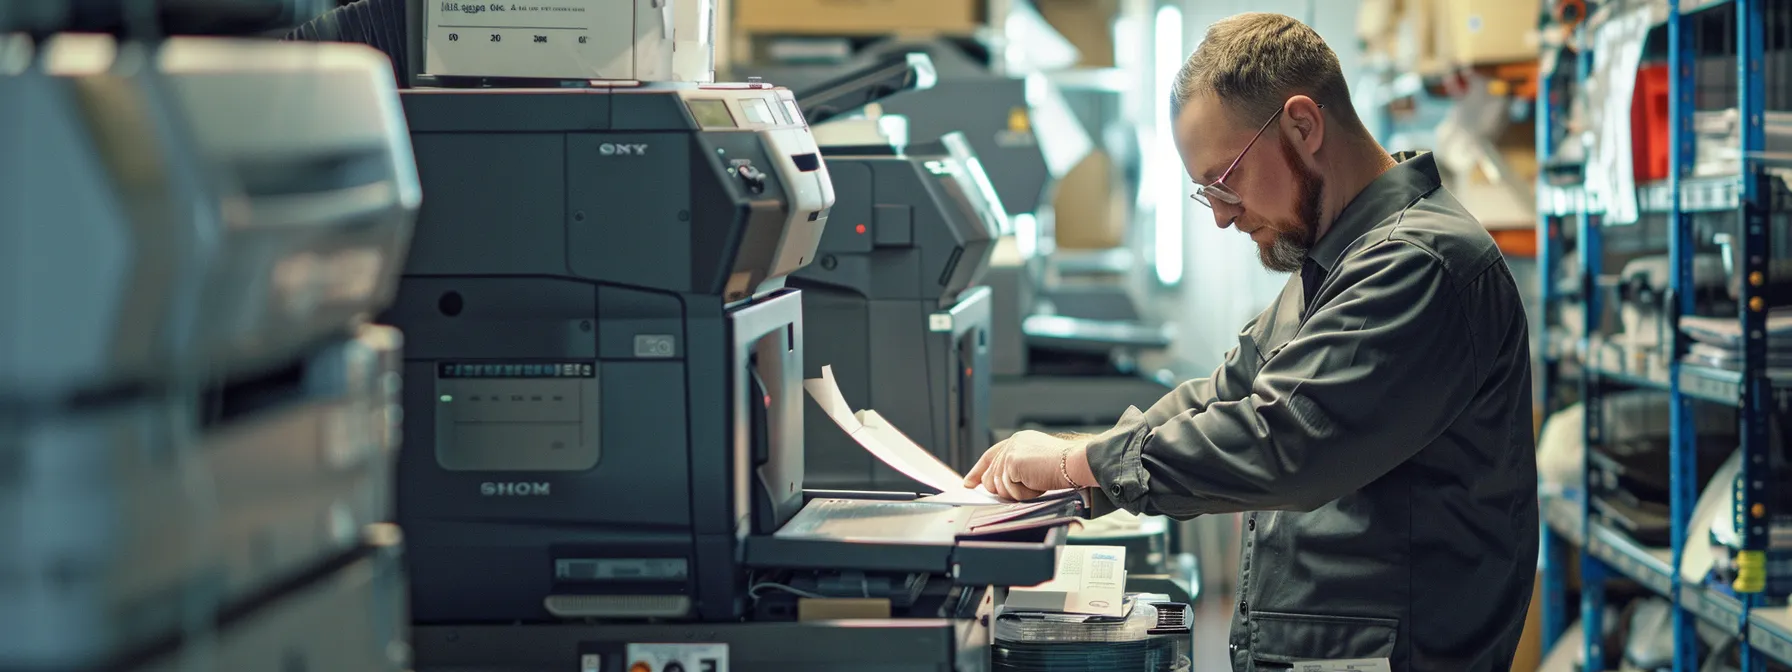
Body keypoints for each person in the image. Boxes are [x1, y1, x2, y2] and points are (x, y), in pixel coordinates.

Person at [963, 12, 1538, 672]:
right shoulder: (1342, 260)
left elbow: (1284, 439)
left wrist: (1083, 465)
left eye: (1225, 177)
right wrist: (1069, 474)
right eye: (1205, 190)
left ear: (1303, 125)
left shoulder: (1419, 263)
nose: (1220, 214)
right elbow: (1228, 392)